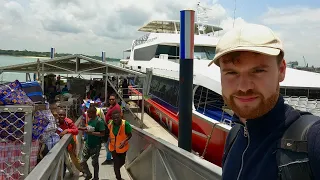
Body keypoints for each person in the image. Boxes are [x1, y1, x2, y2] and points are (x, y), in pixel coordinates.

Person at [208, 23, 320, 180]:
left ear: (281, 71)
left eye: (258, 71)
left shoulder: (312, 140)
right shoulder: (235, 136)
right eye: (231, 72)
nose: (244, 87)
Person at [79, 106, 105, 180]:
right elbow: (89, 128)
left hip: (96, 145)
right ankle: (88, 174)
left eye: (88, 113)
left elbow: (102, 133)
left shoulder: (99, 121)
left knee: (94, 163)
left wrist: (92, 133)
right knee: (82, 161)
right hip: (88, 144)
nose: (87, 114)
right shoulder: (90, 120)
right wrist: (81, 128)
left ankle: (96, 177)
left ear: (93, 113)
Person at [106, 110, 132, 180]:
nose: (116, 119)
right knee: (116, 165)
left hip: (122, 148)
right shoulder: (110, 124)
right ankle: (118, 178)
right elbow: (108, 133)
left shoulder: (125, 124)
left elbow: (130, 135)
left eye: (117, 118)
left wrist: (124, 141)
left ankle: (117, 170)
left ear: (120, 116)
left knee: (122, 162)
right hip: (113, 148)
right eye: (114, 118)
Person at [56, 109, 84, 174]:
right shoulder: (55, 122)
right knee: (62, 159)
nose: (62, 116)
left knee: (74, 157)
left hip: (70, 142)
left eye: (63, 115)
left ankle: (82, 170)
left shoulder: (68, 121)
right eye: (60, 115)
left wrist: (67, 130)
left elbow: (76, 131)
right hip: (59, 142)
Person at [101, 94, 122, 165]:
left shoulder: (117, 107)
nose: (111, 100)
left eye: (113, 99)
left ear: (115, 99)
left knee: (108, 144)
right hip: (108, 128)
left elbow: (118, 119)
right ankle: (110, 158)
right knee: (109, 144)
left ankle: (110, 159)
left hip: (112, 129)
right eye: (110, 99)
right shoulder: (111, 106)